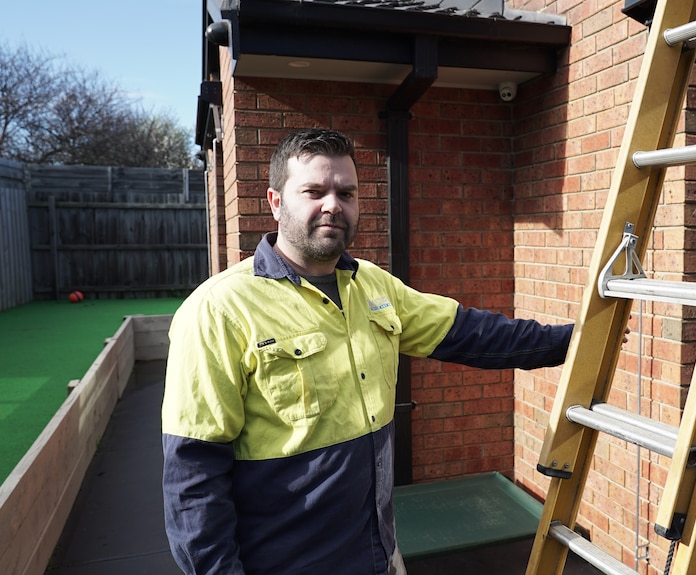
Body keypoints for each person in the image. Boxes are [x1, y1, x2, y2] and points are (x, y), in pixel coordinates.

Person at [161, 128, 574, 575]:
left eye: (346, 193)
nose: (333, 205)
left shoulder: (373, 286)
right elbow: (193, 477)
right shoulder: (218, 310)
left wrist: (571, 341)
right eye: (314, 191)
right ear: (276, 202)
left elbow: (470, 333)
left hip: (376, 555)